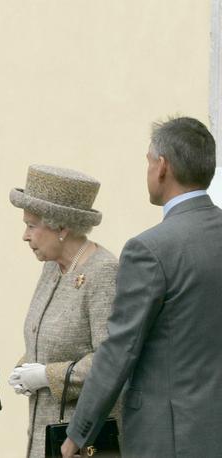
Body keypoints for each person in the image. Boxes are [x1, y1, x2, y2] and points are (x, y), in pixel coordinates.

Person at [61, 117, 222, 458]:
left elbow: (120, 348)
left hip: (168, 436)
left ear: (162, 167)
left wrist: (77, 434)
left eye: (148, 161)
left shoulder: (149, 249)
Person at [7, 165, 118, 457]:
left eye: (31, 225)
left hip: (80, 441)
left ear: (61, 228)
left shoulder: (103, 272)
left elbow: (111, 359)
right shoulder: (52, 267)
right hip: (42, 431)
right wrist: (25, 368)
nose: (25, 236)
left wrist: (47, 375)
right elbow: (51, 337)